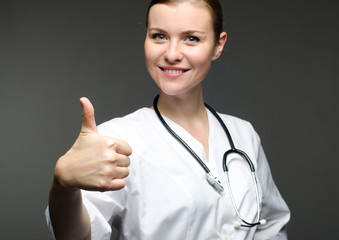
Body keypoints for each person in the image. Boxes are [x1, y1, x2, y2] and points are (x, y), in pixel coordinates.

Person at [45, 0, 290, 239]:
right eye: (159, 36)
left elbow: (271, 227)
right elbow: (76, 236)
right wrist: (63, 188)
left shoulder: (243, 135)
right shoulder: (116, 141)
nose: (171, 54)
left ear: (218, 45)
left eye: (191, 38)